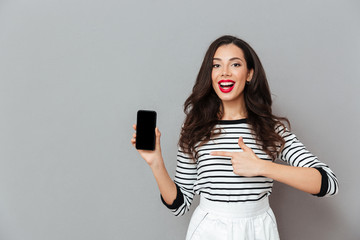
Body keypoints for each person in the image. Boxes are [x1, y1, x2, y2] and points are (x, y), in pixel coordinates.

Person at [131, 35, 339, 240]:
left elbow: (329, 183)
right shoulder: (195, 127)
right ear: (210, 74)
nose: (225, 73)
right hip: (209, 230)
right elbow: (180, 205)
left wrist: (262, 167)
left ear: (249, 74)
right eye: (216, 66)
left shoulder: (271, 129)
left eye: (235, 64)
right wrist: (155, 162)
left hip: (259, 229)